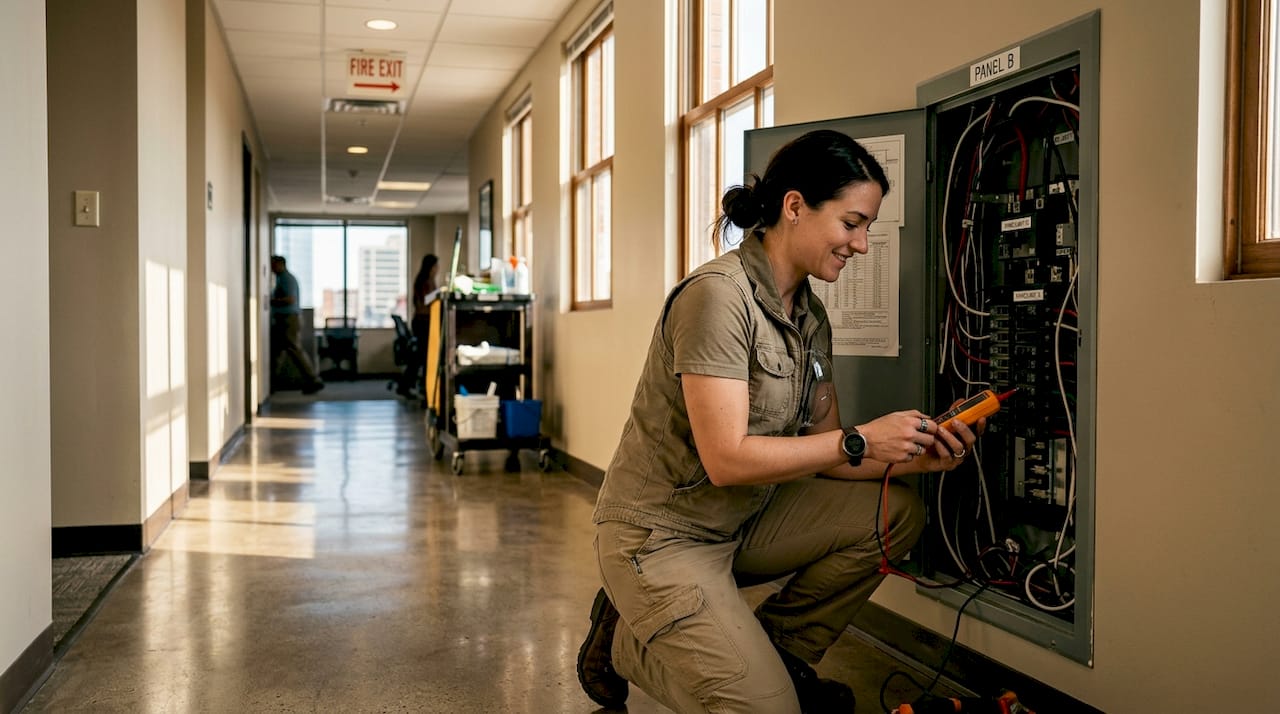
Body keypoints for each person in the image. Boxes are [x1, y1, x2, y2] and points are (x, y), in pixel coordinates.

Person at [575, 130, 982, 713]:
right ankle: (624, 645)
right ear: (795, 207)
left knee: (897, 512)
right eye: (852, 223)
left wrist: (915, 453)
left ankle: (778, 655)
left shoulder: (810, 318)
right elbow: (728, 458)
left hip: (743, 521)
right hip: (661, 536)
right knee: (764, 710)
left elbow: (829, 450)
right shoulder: (718, 297)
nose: (862, 244)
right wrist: (863, 439)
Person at [269, 255, 324, 395]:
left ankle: (313, 380)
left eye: (273, 264)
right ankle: (271, 383)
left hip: (288, 320)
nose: (271, 268)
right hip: (283, 319)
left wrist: (272, 301)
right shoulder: (281, 279)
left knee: (294, 349)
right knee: (277, 352)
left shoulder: (287, 279)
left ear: (281, 264)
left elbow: (290, 299)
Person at [405, 254, 439, 397]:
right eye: (436, 266)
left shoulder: (428, 280)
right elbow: (426, 301)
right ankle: (425, 389)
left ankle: (413, 386)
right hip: (423, 322)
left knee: (420, 357)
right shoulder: (424, 281)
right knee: (424, 357)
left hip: (422, 322)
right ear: (430, 267)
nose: (437, 269)